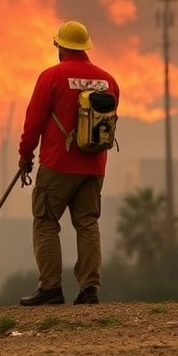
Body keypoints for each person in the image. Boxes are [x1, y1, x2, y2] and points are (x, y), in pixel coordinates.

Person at [17, 20, 120, 306]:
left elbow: (33, 121)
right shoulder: (108, 80)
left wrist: (25, 156)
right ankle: (89, 290)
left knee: (46, 221)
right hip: (94, 166)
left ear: (61, 46)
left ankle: (50, 288)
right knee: (87, 223)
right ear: (86, 47)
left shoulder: (52, 77)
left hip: (58, 165)